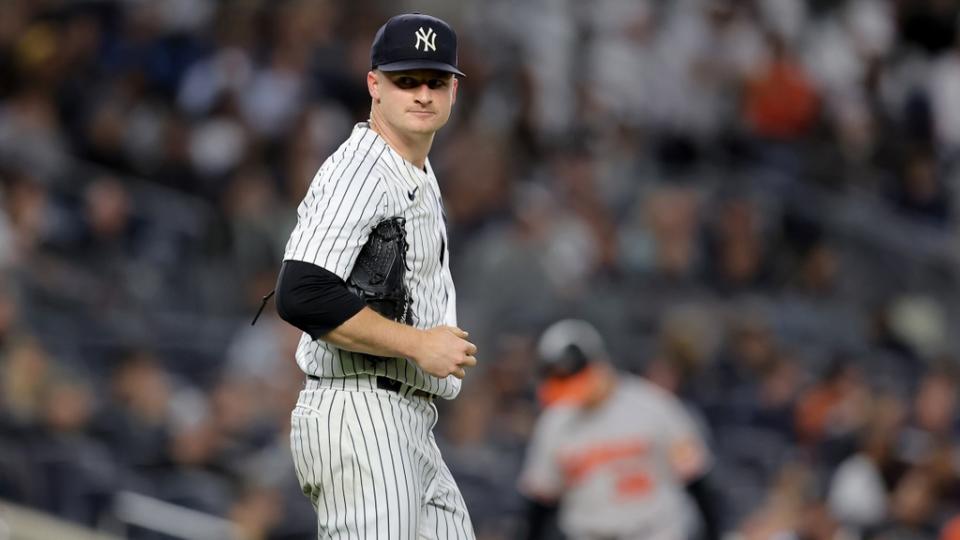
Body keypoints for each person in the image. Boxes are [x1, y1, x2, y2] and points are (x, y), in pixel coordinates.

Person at [273, 12, 477, 539]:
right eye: (406, 81)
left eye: (435, 81)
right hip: (359, 410)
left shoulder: (415, 170)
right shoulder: (362, 168)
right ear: (374, 85)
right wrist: (416, 343)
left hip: (408, 419)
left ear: (454, 89)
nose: (423, 94)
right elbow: (300, 293)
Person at [519, 319, 720, 540]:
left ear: (600, 364)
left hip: (655, 532)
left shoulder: (654, 406)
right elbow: (540, 504)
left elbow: (698, 483)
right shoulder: (554, 423)